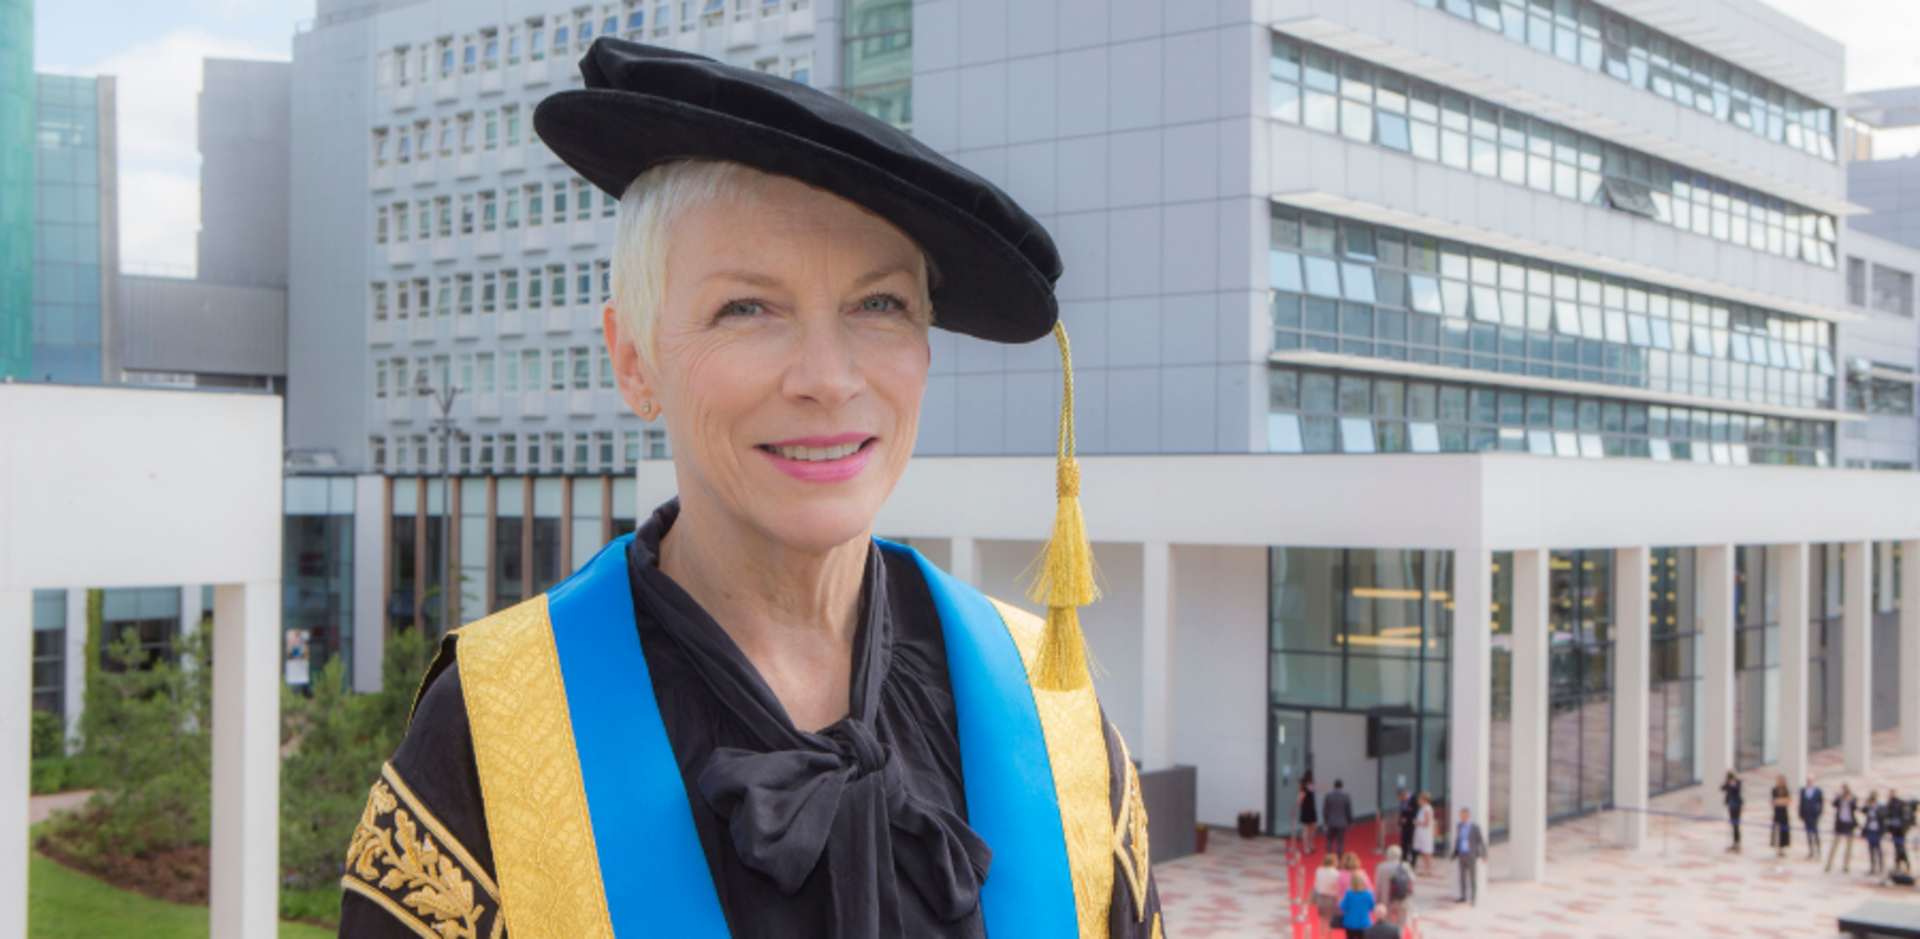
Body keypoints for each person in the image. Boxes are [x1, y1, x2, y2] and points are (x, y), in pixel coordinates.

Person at [337, 37, 1165, 938]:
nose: (827, 376)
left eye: (878, 303)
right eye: (748, 308)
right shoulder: (496, 734)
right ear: (634, 359)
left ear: (926, 347)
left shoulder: (1050, 720)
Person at [1452, 807, 1488, 906]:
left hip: (1471, 855)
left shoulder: (1474, 827)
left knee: (1472, 878)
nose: (1462, 818)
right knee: (1462, 877)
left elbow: (1481, 841)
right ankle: (1463, 896)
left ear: (1468, 816)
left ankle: (1473, 897)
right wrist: (1454, 853)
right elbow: (1457, 840)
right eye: (1461, 816)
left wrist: (1484, 854)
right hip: (1461, 854)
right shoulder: (1459, 826)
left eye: (1464, 816)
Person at [1374, 845, 1413, 926]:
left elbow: (1377, 886)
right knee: (1401, 924)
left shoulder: (1381, 868)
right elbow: (1411, 883)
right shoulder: (1406, 867)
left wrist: (1377, 900)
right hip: (1402, 899)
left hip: (1386, 900)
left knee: (1387, 923)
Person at [1828, 783, 1857, 873]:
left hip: (1849, 825)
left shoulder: (1852, 798)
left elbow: (1855, 807)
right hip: (1840, 825)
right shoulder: (1840, 799)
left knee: (1849, 847)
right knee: (1834, 845)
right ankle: (1829, 864)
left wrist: (1849, 800)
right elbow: (1833, 804)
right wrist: (1840, 797)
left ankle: (1846, 865)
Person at [1339, 871, 1377, 939]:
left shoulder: (1348, 893)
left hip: (1350, 922)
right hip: (1364, 923)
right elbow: (1372, 907)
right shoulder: (1368, 894)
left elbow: (1343, 907)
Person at [1324, 780, 1355, 859]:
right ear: (1342, 787)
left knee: (1329, 840)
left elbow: (1325, 810)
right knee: (1340, 842)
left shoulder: (1328, 796)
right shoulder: (1346, 796)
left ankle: (1329, 857)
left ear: (1334, 786)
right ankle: (1339, 858)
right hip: (1342, 822)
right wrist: (1350, 822)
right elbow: (1348, 810)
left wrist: (1326, 821)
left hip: (1331, 821)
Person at [1314, 854, 1343, 939]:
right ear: (1334, 862)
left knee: (1322, 919)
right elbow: (1338, 888)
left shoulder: (1319, 870)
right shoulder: (1336, 873)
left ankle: (1321, 936)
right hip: (1331, 898)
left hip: (1320, 897)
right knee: (1331, 920)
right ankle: (1329, 937)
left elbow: (1316, 884)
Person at [1800, 774, 1824, 860]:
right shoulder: (1803, 790)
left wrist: (1820, 813)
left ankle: (1818, 850)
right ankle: (1811, 851)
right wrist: (1801, 814)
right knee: (1808, 834)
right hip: (1806, 815)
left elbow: (1821, 803)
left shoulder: (1818, 791)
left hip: (1814, 815)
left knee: (1815, 833)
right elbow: (1801, 803)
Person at [1412, 792, 1437, 876]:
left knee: (1427, 851)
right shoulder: (1422, 808)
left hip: (1426, 833)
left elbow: (1427, 822)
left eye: (1420, 799)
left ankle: (1428, 868)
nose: (1418, 800)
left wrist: (1417, 822)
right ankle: (1425, 867)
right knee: (1423, 851)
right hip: (1421, 832)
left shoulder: (1427, 809)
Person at [1863, 792, 1886, 875]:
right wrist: (1867, 805)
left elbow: (1882, 817)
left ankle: (1881, 868)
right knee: (1871, 849)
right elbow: (1862, 810)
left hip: (1877, 831)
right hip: (1870, 830)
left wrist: (1875, 809)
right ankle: (1872, 868)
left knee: (1878, 849)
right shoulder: (1869, 808)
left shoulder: (1880, 807)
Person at [1299, 771, 1321, 856]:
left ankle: (1311, 843)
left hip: (1312, 809)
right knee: (1306, 827)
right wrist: (1302, 808)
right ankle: (1306, 847)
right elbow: (1300, 799)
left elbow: (1316, 791)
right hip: (1306, 809)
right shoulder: (1303, 788)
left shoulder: (1312, 787)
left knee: (1314, 826)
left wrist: (1322, 787)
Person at [1722, 771, 1744, 852]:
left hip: (1737, 806)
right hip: (1731, 806)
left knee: (1736, 825)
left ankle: (1737, 843)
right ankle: (1733, 843)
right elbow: (1722, 788)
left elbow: (1738, 790)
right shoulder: (1728, 783)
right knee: (1732, 824)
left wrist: (1733, 784)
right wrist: (1728, 783)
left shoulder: (1738, 782)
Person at [1891, 790, 1913, 876]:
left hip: (1901, 830)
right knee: (1897, 848)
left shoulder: (1902, 804)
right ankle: (1898, 865)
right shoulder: (1891, 804)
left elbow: (1907, 817)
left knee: (1901, 848)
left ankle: (1906, 865)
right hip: (1895, 830)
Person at [1771, 775, 1793, 858]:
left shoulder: (1786, 790)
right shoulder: (1775, 790)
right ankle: (1777, 847)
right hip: (1777, 813)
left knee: (1784, 831)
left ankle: (1783, 848)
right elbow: (1774, 801)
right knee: (1777, 831)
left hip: (1784, 813)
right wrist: (1782, 801)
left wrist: (1781, 801)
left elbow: (1788, 801)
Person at [1396, 788, 1416, 859]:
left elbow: (1415, 813)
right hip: (1404, 825)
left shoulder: (1414, 800)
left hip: (1412, 825)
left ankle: (1413, 859)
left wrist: (1407, 819)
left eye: (1401, 798)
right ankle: (1404, 857)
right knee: (1404, 842)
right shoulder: (1403, 801)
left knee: (1412, 842)